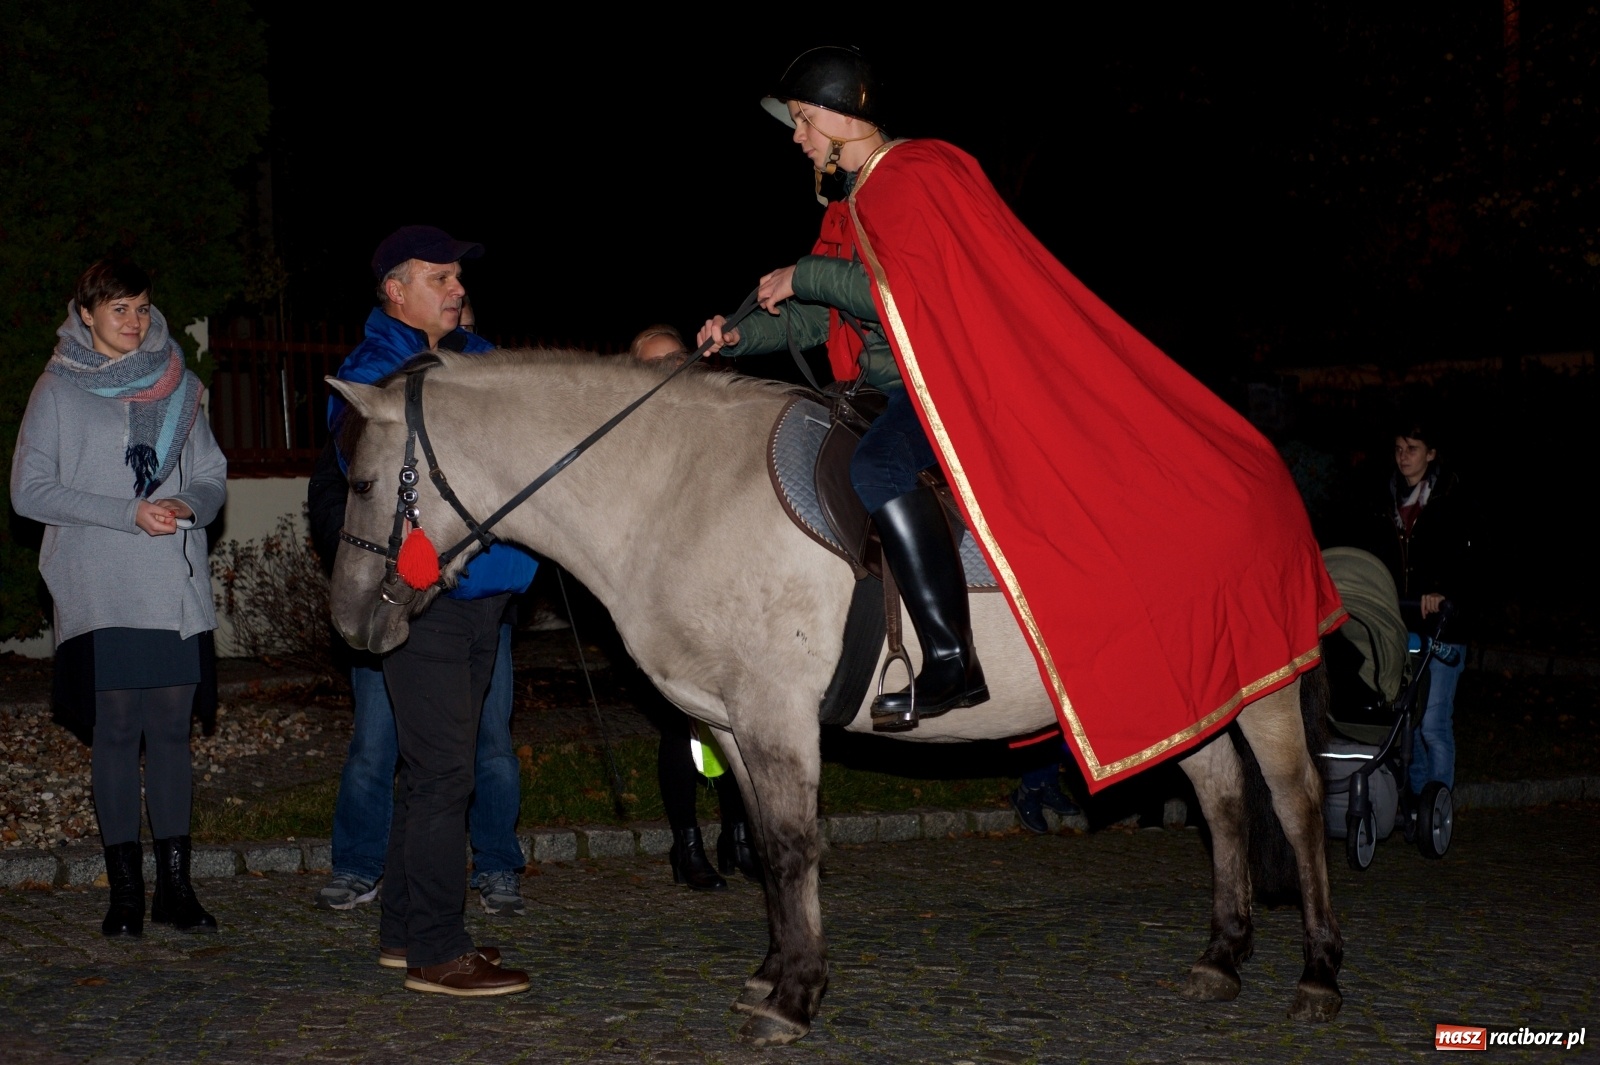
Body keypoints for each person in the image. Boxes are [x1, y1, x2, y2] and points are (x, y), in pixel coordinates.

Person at [700, 48, 1340, 795]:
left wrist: (804, 274)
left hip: (941, 384)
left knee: (876, 467)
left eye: (805, 120)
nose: (798, 135)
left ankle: (949, 658)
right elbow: (819, 317)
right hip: (877, 386)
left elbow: (910, 295)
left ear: (844, 117)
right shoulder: (851, 206)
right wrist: (745, 331)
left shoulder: (917, 176)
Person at [314, 226, 537, 996]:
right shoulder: (373, 370)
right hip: (425, 597)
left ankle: (405, 931)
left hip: (487, 597)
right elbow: (359, 451)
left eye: (458, 277)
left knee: (428, 772)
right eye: (438, 276)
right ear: (394, 291)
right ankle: (439, 952)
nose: (456, 288)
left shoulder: (474, 357)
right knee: (445, 775)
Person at [11, 260, 227, 937]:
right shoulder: (57, 391)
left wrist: (190, 501)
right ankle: (126, 895)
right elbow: (29, 491)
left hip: (173, 585)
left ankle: (175, 890)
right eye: (117, 310)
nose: (133, 322)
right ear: (84, 315)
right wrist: (125, 512)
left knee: (169, 731)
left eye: (140, 308)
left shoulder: (180, 383)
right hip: (102, 585)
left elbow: (214, 474)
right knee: (116, 731)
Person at [627, 326, 761, 887]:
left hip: (730, 581)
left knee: (736, 713)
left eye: (676, 359)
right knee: (683, 719)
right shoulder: (634, 434)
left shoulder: (718, 412)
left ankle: (737, 834)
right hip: (666, 591)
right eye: (654, 366)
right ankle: (687, 847)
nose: (669, 371)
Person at [1359, 421, 1473, 796]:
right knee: (1407, 718)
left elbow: (1466, 557)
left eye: (1412, 448)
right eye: (1398, 449)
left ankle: (1436, 805)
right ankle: (1419, 799)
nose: (1403, 457)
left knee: (1434, 723)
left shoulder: (1450, 498)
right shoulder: (1386, 497)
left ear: (1431, 453)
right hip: (1402, 622)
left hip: (1444, 627)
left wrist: (1442, 591)